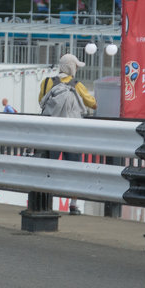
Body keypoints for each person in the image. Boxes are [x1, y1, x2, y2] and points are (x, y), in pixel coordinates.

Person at [39, 52, 96, 214]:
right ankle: (73, 204)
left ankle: (45, 201)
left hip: (50, 132)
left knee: (48, 168)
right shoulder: (77, 85)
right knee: (73, 169)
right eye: (76, 66)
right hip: (71, 134)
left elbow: (41, 101)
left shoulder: (46, 82)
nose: (77, 69)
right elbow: (92, 103)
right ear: (71, 67)